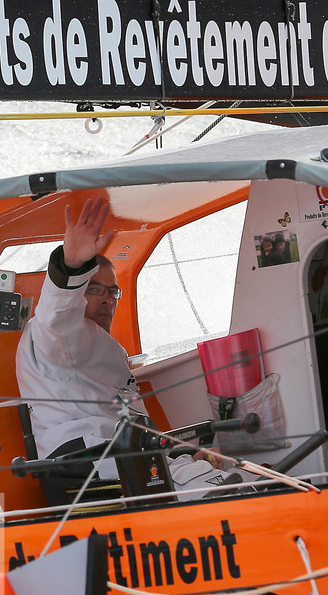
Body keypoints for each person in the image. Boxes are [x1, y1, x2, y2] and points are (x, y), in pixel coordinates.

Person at [16, 196, 233, 491]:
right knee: (220, 491)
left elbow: (134, 425)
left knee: (242, 479)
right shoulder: (54, 335)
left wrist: (183, 453)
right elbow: (57, 313)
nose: (107, 298)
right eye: (94, 288)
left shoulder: (109, 349)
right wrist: (71, 266)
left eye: (113, 292)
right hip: (84, 461)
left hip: (126, 455)